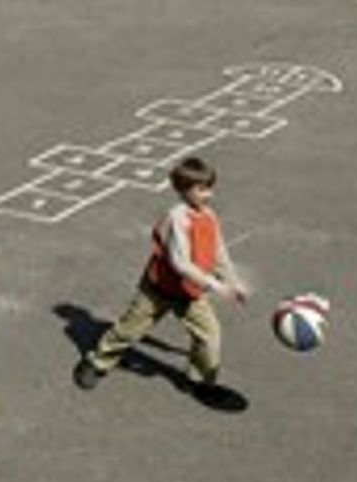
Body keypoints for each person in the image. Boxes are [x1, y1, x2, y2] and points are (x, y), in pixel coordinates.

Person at [73, 157, 248, 412]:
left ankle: (200, 381)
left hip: (190, 292)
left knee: (210, 337)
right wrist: (217, 286)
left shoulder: (209, 216)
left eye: (210, 187)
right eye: (201, 189)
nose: (209, 194)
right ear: (183, 189)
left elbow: (219, 251)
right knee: (128, 330)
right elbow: (181, 264)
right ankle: (98, 362)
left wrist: (233, 280)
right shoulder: (178, 218)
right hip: (158, 290)